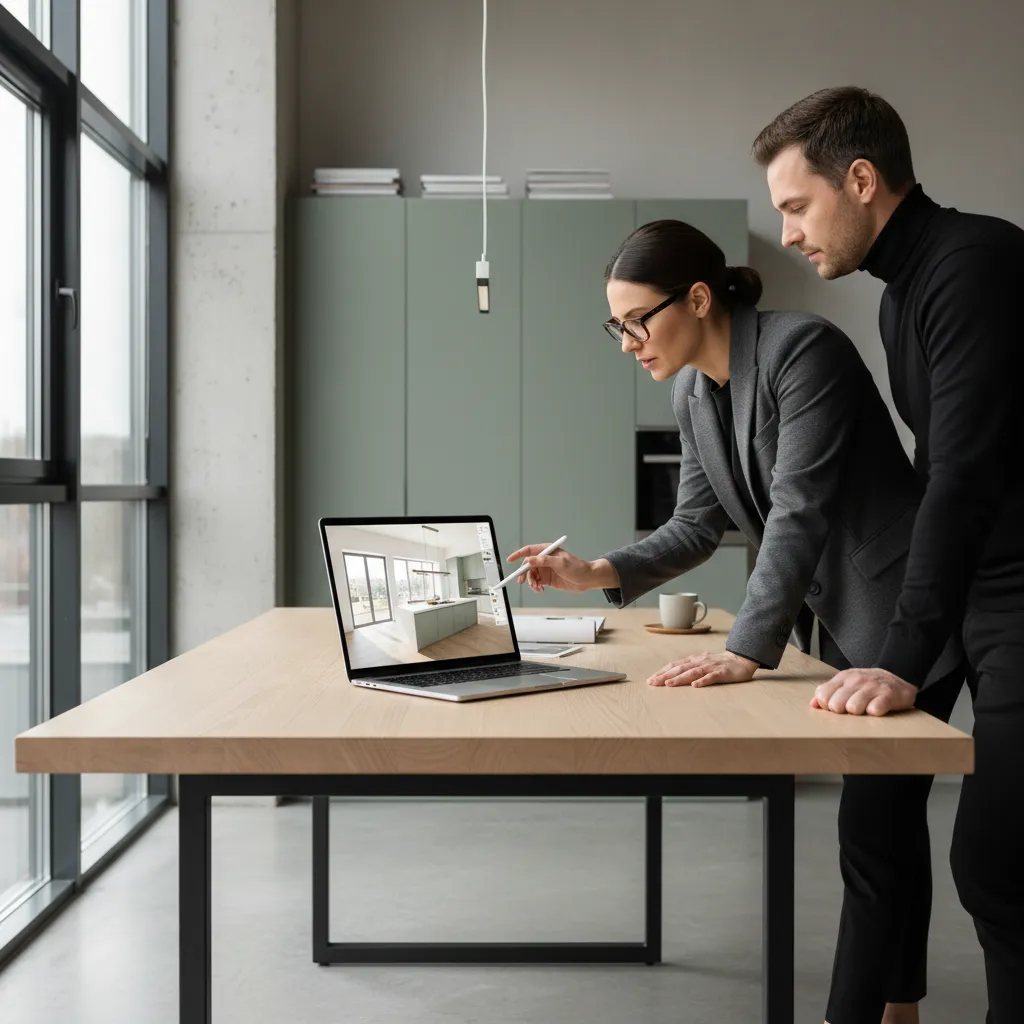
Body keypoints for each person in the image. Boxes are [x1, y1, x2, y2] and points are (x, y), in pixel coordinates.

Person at [753, 86, 1024, 1024]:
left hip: (1018, 600)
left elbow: (960, 481)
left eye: (797, 206)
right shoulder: (907, 292)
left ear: (860, 180)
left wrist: (901, 660)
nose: (787, 234)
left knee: (998, 862)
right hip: (980, 597)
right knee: (879, 808)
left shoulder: (974, 266)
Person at [507, 219, 960, 697]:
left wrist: (742, 650)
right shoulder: (690, 392)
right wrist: (594, 572)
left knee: (887, 773)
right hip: (830, 620)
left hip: (898, 607)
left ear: (699, 300)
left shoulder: (802, 349)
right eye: (618, 326)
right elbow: (694, 526)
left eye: (638, 319)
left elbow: (797, 510)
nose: (627, 342)